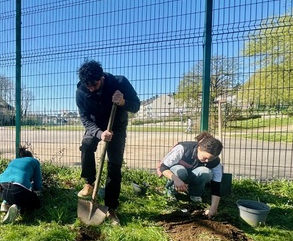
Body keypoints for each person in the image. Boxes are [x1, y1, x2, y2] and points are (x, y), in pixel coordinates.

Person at [76, 60, 141, 222]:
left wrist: (123, 102)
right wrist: (99, 133)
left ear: (102, 77)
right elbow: (85, 118)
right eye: (88, 86)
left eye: (94, 85)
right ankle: (89, 183)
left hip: (117, 127)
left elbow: (136, 106)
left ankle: (111, 208)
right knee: (86, 145)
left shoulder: (120, 83)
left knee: (114, 166)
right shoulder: (81, 92)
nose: (91, 88)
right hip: (95, 126)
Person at [157, 131, 224, 218]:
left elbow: (216, 187)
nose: (207, 161)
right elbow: (163, 167)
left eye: (210, 159)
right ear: (199, 148)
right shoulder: (183, 148)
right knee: (180, 170)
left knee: (206, 172)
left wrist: (213, 208)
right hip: (178, 174)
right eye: (205, 158)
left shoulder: (216, 163)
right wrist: (176, 179)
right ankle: (171, 191)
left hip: (194, 175)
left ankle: (195, 194)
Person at [0, 146, 43, 224]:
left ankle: (5, 203)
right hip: (18, 188)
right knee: (35, 203)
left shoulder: (14, 161)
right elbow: (38, 184)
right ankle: (18, 207)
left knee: (11, 191)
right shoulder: (34, 161)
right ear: (31, 156)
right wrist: (36, 191)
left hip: (1, 188)